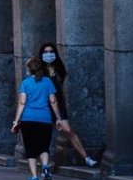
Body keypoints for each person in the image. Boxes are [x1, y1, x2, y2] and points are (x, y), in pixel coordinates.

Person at [37, 41, 98, 171]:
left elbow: (60, 86)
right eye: (46, 52)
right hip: (44, 106)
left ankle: (86, 158)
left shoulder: (59, 69)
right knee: (44, 135)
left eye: (51, 52)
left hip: (59, 104)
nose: (49, 54)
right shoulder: (39, 71)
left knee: (68, 130)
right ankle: (46, 164)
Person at [13, 51, 59, 180]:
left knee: (30, 149)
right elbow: (53, 101)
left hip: (28, 119)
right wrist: (58, 118)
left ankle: (34, 178)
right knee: (44, 147)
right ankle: (45, 166)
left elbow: (22, 103)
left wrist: (16, 120)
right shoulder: (48, 82)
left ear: (29, 69)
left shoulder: (25, 83)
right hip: (44, 119)